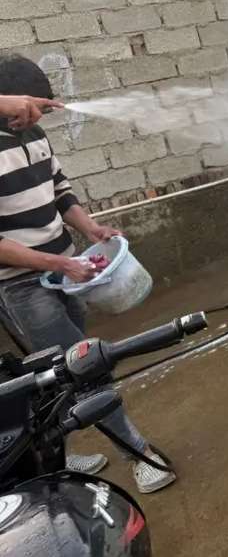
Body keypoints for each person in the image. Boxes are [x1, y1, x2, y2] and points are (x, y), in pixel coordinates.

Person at [0, 55, 176, 494]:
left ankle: (51, 454)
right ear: (12, 103)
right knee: (85, 369)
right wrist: (60, 264)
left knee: (61, 371)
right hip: (24, 285)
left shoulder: (35, 136)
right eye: (35, 106)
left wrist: (91, 228)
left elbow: (60, 192)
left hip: (67, 270)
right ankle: (139, 455)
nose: (41, 116)